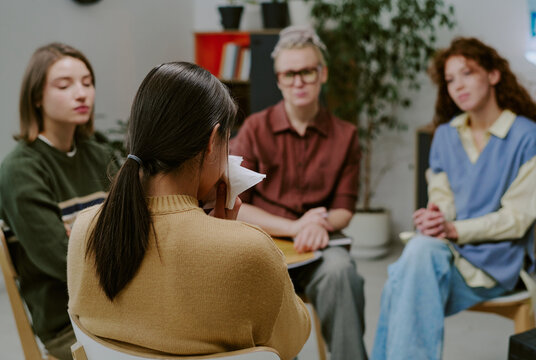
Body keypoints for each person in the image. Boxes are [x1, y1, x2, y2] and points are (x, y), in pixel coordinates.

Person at [67, 62, 310, 359]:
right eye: (227, 142)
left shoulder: (85, 229)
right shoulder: (251, 249)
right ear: (212, 142)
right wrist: (227, 238)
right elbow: (292, 340)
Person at [372, 37, 536, 360]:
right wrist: (436, 218)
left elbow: (517, 219)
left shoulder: (527, 137)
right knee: (418, 254)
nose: (458, 86)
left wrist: (454, 230)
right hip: (446, 253)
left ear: (493, 75)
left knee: (401, 280)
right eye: (450, 80)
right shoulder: (445, 135)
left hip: (496, 264)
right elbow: (443, 198)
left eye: (467, 73)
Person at [230, 25, 367, 360]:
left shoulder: (346, 136)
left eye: (307, 71)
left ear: (322, 74)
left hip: (320, 247)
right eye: (289, 74)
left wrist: (318, 226)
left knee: (342, 272)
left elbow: (344, 208)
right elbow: (235, 203)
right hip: (264, 246)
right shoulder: (255, 129)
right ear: (279, 80)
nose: (299, 81)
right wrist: (295, 227)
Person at [0, 43, 118, 359]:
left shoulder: (100, 154)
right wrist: (112, 239)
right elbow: (61, 260)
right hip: (69, 323)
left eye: (87, 83)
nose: (81, 94)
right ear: (36, 97)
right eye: (64, 86)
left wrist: (82, 236)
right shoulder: (21, 168)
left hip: (119, 303)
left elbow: (141, 224)